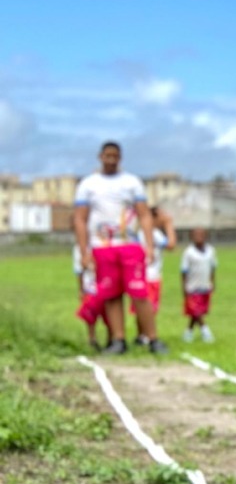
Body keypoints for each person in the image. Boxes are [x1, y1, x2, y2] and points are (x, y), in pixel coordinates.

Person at [73, 141, 168, 355]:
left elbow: (144, 215)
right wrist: (83, 250)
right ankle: (118, 339)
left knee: (139, 292)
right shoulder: (88, 185)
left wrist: (149, 245)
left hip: (129, 245)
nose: (111, 159)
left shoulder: (131, 182)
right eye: (107, 155)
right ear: (100, 157)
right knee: (111, 294)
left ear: (120, 158)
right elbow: (80, 219)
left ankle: (152, 338)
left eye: (115, 156)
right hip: (102, 246)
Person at [132, 204, 177, 338]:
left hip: (141, 276)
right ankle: (146, 335)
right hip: (151, 277)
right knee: (149, 308)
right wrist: (169, 224)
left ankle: (141, 335)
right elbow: (171, 245)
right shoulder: (154, 233)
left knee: (140, 307)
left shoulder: (140, 234)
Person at [180, 228, 218, 343]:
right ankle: (205, 331)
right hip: (192, 286)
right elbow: (184, 271)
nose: (199, 237)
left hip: (205, 285)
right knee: (195, 310)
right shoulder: (188, 252)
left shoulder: (211, 251)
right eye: (196, 235)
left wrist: (212, 282)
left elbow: (213, 268)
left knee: (199, 311)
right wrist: (184, 287)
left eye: (201, 235)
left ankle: (188, 332)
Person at [73, 243, 105, 350]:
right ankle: (92, 338)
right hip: (90, 287)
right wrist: (81, 289)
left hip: (105, 284)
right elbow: (79, 271)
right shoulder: (79, 250)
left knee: (108, 311)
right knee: (90, 313)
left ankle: (113, 339)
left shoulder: (103, 244)